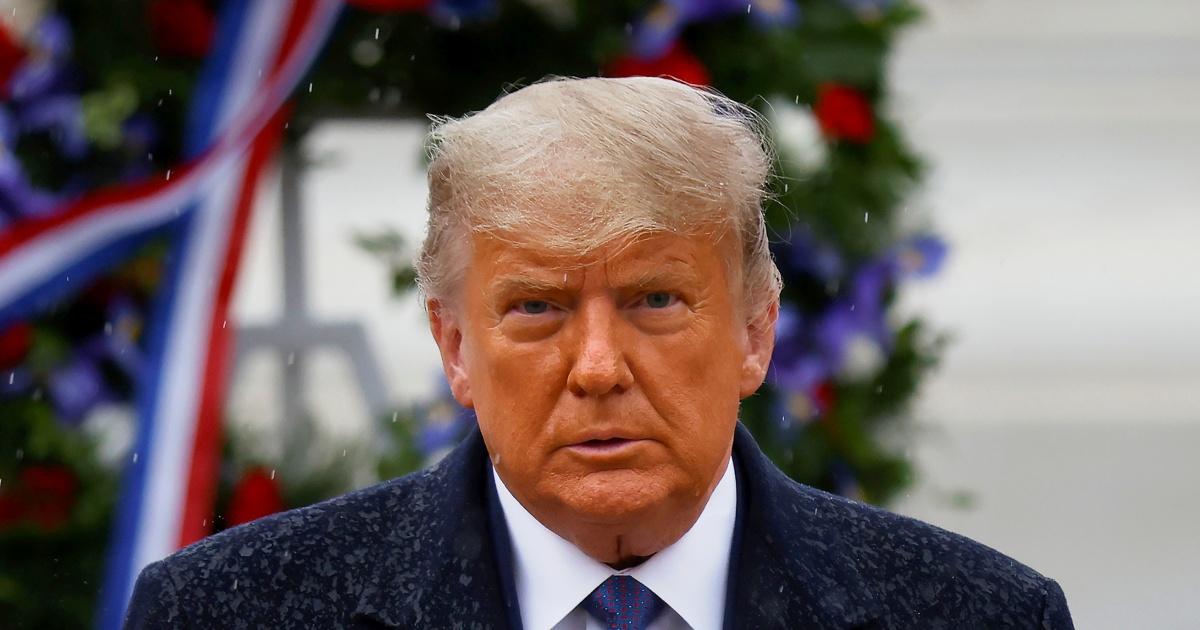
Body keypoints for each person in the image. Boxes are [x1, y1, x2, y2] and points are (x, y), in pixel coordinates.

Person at [125, 76, 1074, 630]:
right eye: (536, 308)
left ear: (756, 330)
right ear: (454, 347)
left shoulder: (978, 615)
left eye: (655, 300)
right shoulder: (227, 613)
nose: (596, 367)